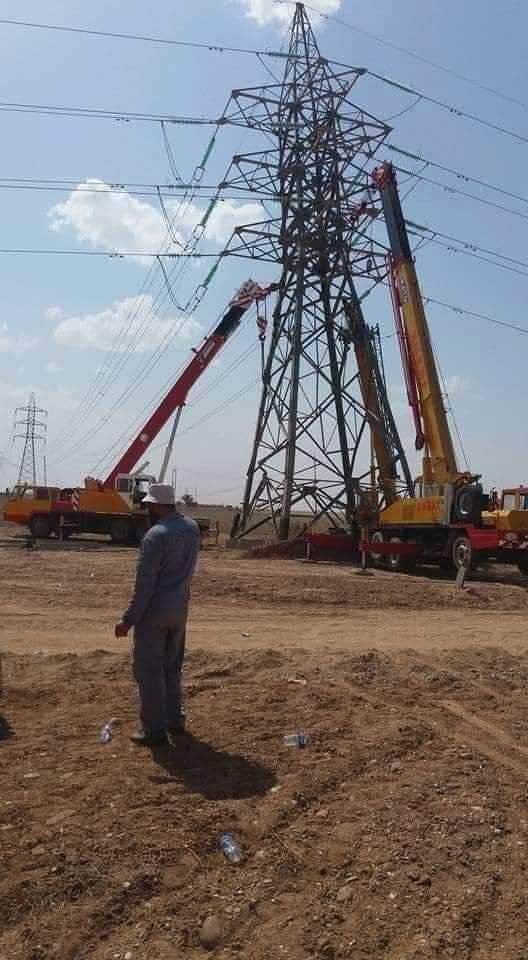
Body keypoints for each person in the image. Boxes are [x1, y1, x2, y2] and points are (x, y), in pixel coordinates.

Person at [114, 483, 200, 747]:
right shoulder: (192, 528)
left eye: (149, 506)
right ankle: (174, 720)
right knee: (172, 668)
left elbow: (145, 585)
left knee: (149, 671)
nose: (147, 510)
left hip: (154, 613)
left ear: (158, 506)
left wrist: (128, 620)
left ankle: (154, 730)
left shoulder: (155, 535)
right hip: (179, 610)